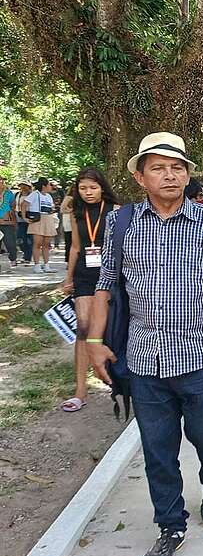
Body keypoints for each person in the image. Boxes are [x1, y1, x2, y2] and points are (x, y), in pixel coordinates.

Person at [87, 132, 203, 556]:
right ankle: (170, 526)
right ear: (140, 176)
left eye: (177, 167)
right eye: (158, 167)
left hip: (201, 355)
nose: (169, 174)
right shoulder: (121, 224)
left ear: (188, 174)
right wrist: (95, 343)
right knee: (158, 448)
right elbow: (105, 285)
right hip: (144, 359)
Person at [60, 167, 119, 412]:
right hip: (85, 273)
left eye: (93, 187)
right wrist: (68, 277)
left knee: (112, 327)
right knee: (83, 328)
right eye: (83, 188)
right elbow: (75, 247)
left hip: (110, 273)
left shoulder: (115, 211)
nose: (88, 192)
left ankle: (120, 381)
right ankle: (80, 391)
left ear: (102, 187)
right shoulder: (76, 212)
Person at [27, 177, 57, 273]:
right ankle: (36, 265)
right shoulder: (35, 194)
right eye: (49, 185)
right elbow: (24, 204)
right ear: (44, 186)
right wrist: (24, 217)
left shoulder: (48, 196)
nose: (50, 187)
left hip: (48, 218)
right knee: (37, 243)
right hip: (38, 219)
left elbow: (51, 207)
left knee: (47, 244)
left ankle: (46, 264)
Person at [0, 176, 17, 270]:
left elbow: (13, 207)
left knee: (10, 243)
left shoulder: (9, 193)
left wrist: (13, 221)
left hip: (7, 222)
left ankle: (13, 259)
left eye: (1, 181)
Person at [59, 188, 75, 263]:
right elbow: (62, 209)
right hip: (68, 221)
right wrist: (72, 210)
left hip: (77, 221)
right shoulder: (68, 198)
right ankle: (68, 260)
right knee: (69, 241)